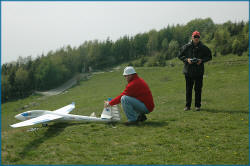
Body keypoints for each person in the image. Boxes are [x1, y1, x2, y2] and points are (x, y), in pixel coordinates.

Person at [178, 31, 212, 111]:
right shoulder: (186, 47)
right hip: (188, 71)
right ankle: (187, 106)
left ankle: (197, 106)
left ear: (199, 38)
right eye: (195, 37)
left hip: (199, 71)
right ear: (192, 37)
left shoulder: (203, 47)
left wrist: (202, 60)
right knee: (188, 89)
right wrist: (187, 60)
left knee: (198, 89)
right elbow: (179, 55)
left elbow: (209, 56)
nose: (196, 38)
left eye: (197, 37)